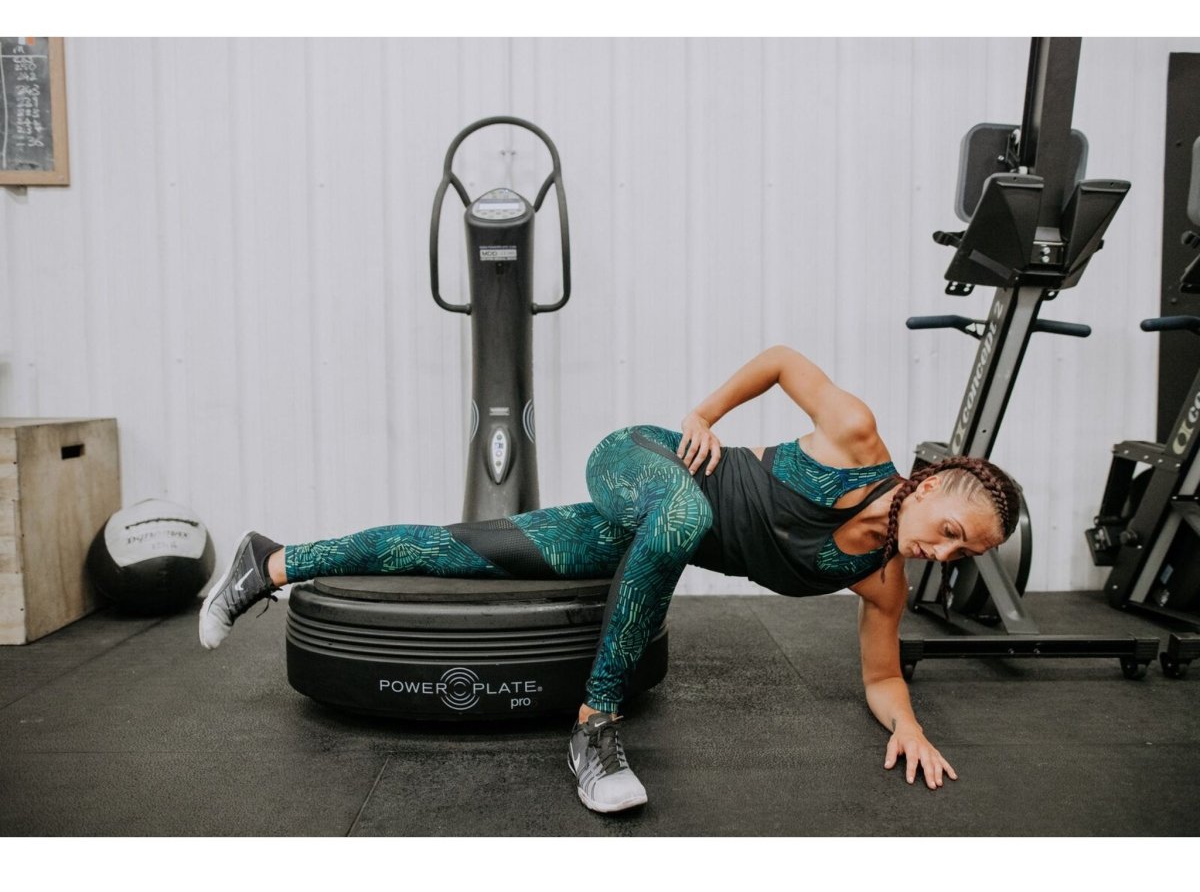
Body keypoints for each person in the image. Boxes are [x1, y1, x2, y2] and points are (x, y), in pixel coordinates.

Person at [199, 345, 1020, 814]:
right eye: (950, 531)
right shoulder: (854, 434)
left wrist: (905, 726)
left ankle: (268, 561)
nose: (942, 553)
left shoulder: (880, 581)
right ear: (933, 481)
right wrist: (704, 416)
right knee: (687, 521)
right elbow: (780, 361)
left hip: (654, 528)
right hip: (642, 461)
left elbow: (881, 675)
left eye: (962, 554)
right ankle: (595, 728)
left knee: (461, 548)